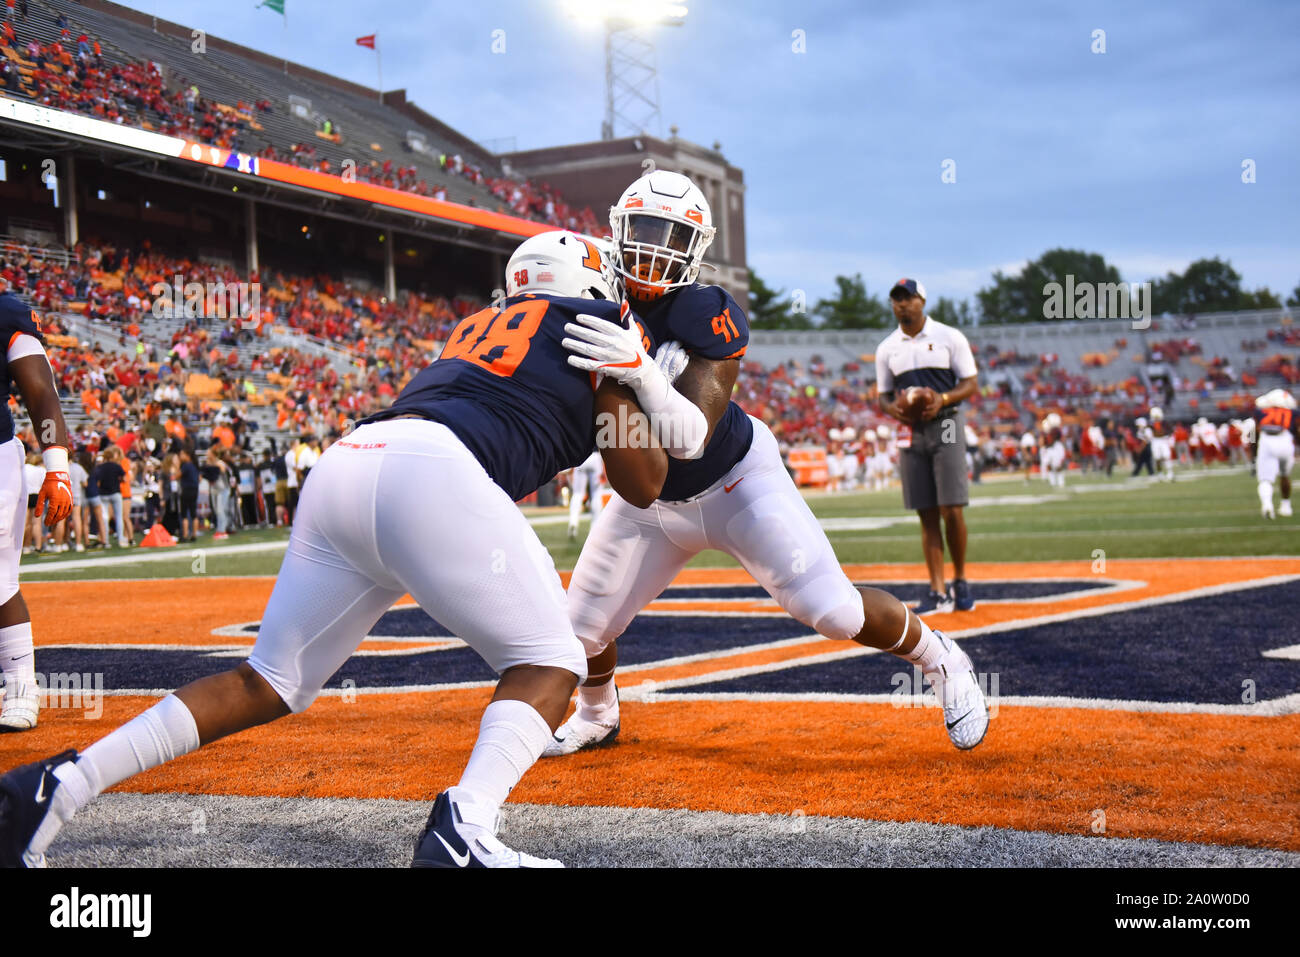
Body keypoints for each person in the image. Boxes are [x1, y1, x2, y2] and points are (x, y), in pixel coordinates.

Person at [0, 231, 667, 869]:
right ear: (592, 283)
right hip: (432, 472)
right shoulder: (603, 321)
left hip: (351, 460)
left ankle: (59, 784)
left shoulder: (477, 327)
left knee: (265, 679)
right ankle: (466, 823)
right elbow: (641, 484)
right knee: (551, 659)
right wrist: (638, 378)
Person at [544, 173, 988, 759]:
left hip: (735, 482)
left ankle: (940, 656)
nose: (651, 248)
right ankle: (598, 714)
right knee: (580, 633)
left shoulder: (705, 309)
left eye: (668, 233)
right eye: (643, 230)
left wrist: (642, 371)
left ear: (694, 249)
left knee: (832, 610)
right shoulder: (590, 297)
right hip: (648, 501)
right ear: (618, 232)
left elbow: (691, 438)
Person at [876, 278, 980, 615]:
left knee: (952, 507)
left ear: (922, 301)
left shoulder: (949, 337)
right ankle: (937, 589)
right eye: (897, 299)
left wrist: (943, 398)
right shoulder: (887, 347)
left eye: (908, 298)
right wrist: (892, 409)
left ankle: (960, 578)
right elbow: (883, 394)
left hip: (947, 420)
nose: (902, 304)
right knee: (926, 512)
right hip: (911, 428)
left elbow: (970, 383)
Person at [0, 291, 74, 731]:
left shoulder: (5, 310)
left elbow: (40, 389)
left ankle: (21, 686)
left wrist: (57, 468)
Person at [1253, 388, 1297, 519]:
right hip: (1285, 440)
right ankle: (1286, 506)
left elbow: (1252, 432)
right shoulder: (1293, 412)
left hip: (1267, 440)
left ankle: (1267, 504)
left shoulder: (1260, 412)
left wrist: (1253, 450)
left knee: (1265, 479)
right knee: (1285, 475)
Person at [566, 450, 605, 540]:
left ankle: (573, 522)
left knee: (577, 493)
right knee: (596, 494)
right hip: (595, 457)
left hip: (581, 456)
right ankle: (595, 528)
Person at [178, 449, 199, 542]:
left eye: (182, 454)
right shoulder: (194, 465)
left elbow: (176, 476)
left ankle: (185, 535)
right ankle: (194, 534)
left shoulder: (186, 465)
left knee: (184, 514)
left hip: (186, 490)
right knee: (194, 513)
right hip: (194, 490)